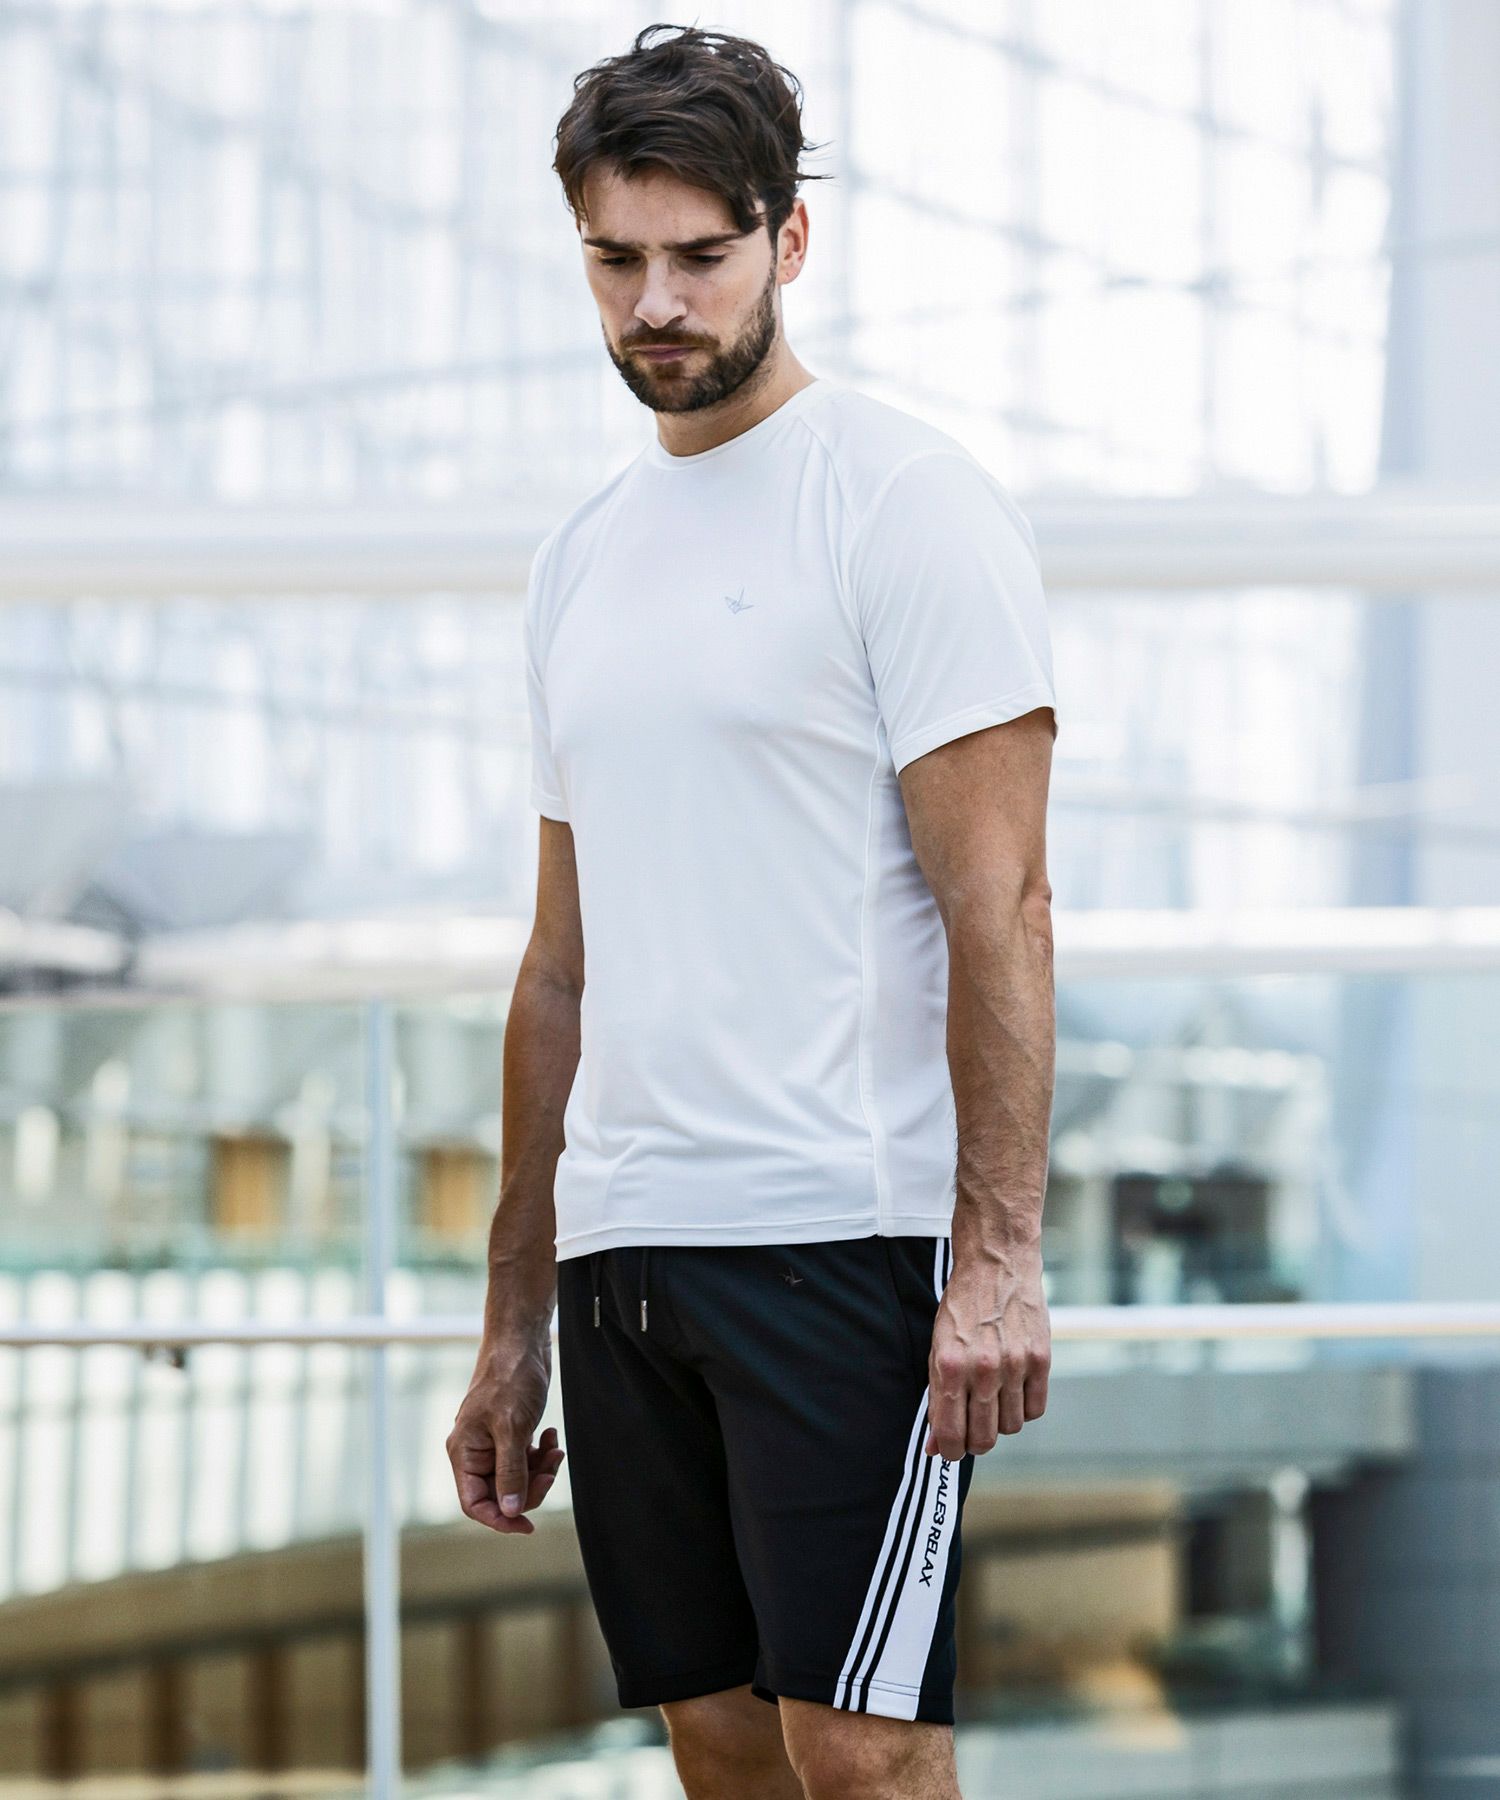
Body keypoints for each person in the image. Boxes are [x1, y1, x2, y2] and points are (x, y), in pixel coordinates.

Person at [447, 22, 1059, 1799]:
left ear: (789, 239)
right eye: (614, 259)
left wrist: (997, 1257)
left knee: (861, 1757)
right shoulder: (579, 559)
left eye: (699, 256)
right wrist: (513, 1315)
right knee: (717, 1748)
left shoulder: (905, 504)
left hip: (839, 1237)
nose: (655, 303)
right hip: (626, 1250)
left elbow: (1005, 907)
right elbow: (560, 971)